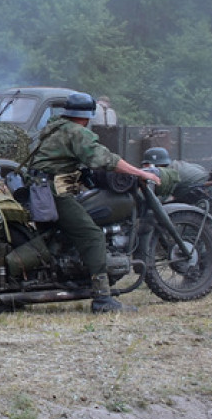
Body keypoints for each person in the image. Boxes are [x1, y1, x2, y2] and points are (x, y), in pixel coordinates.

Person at [29, 92, 160, 313]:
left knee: (70, 231)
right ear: (86, 116)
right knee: (93, 235)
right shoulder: (76, 132)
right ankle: (102, 298)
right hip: (55, 191)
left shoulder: (53, 128)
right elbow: (105, 158)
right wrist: (140, 173)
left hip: (40, 189)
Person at [139, 148, 212, 247]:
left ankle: (202, 260)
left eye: (147, 166)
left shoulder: (170, 173)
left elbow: (159, 200)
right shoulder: (177, 165)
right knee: (194, 233)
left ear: (156, 165)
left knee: (190, 235)